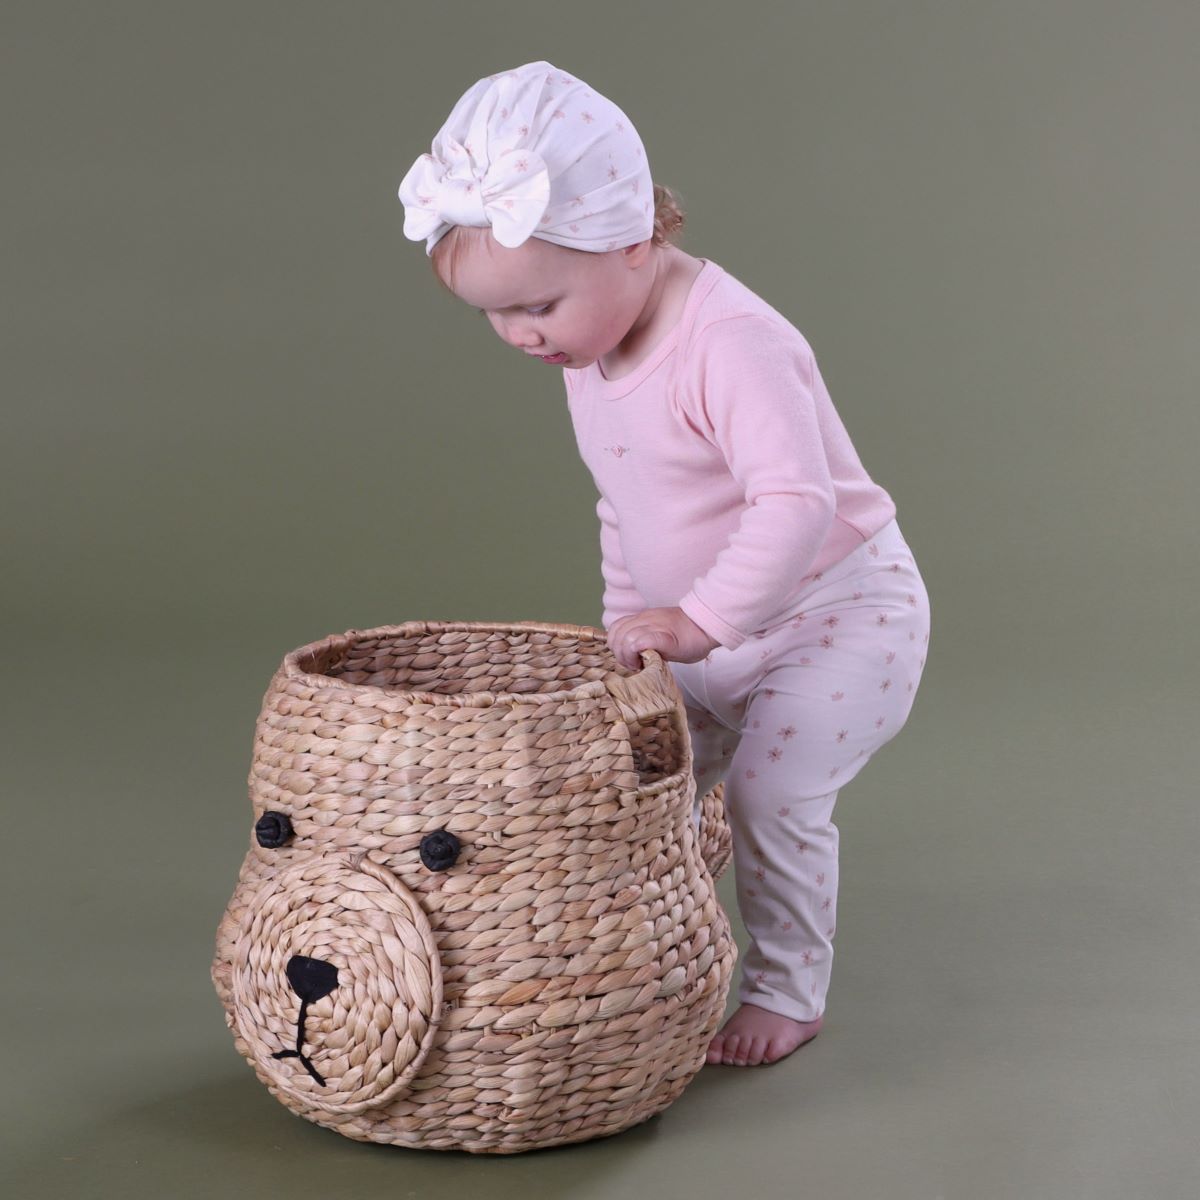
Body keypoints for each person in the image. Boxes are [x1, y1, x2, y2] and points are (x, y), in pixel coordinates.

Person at [398, 60, 931, 1067]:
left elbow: (796, 501)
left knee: (773, 793)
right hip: (708, 620)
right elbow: (627, 501)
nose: (519, 336)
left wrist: (695, 625)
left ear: (636, 240)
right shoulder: (585, 345)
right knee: (642, 780)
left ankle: (787, 989)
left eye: (538, 305)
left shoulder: (731, 343)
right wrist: (629, 626)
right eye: (493, 316)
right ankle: (638, 960)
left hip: (839, 616)